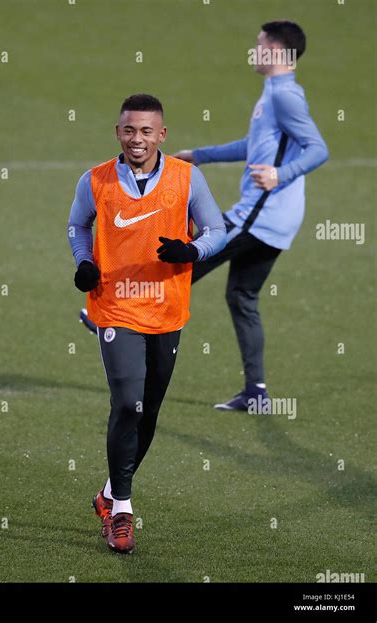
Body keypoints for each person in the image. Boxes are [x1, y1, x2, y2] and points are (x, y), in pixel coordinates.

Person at [80, 20, 329, 412]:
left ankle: (116, 319)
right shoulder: (276, 93)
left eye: (260, 45)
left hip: (260, 216)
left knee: (182, 260)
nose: (254, 50)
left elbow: (318, 149)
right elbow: (256, 144)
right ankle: (257, 393)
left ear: (277, 52)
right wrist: (203, 155)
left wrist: (282, 173)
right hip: (279, 221)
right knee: (242, 295)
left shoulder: (286, 97)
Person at [68, 93, 226, 554]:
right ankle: (123, 513)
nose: (137, 139)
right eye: (129, 130)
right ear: (118, 132)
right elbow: (78, 226)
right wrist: (84, 263)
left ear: (162, 134)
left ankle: (108, 494)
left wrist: (191, 251)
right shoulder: (95, 179)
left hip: (166, 308)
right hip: (115, 307)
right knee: (128, 405)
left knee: (149, 412)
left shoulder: (187, 178)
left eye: (146, 131)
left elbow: (217, 231)